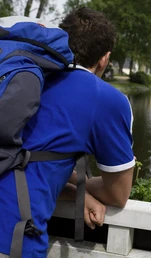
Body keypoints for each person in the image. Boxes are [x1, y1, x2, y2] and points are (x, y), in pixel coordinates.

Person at [0, 7, 135, 258]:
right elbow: (117, 193)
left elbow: (25, 158)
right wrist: (81, 190)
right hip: (12, 239)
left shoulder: (29, 75)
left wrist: (74, 189)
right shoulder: (105, 99)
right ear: (105, 58)